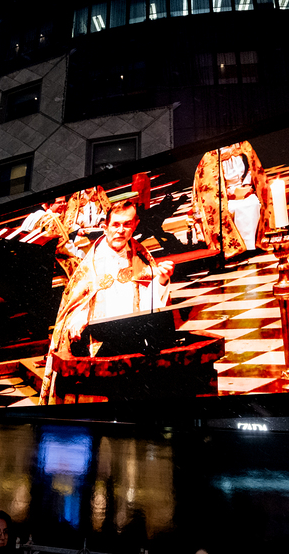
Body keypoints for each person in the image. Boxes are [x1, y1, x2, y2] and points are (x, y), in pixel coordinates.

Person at [39, 201, 174, 404]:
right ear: (105, 226)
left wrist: (161, 281)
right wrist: (79, 319)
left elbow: (150, 307)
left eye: (127, 224)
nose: (121, 230)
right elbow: (75, 304)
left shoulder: (142, 258)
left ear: (135, 225)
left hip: (135, 341)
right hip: (98, 344)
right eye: (116, 224)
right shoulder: (91, 263)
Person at [192, 141, 273, 259]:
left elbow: (252, 167)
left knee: (253, 203)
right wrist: (226, 192)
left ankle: (252, 245)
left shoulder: (243, 145)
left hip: (242, 188)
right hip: (223, 195)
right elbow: (209, 185)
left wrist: (246, 185)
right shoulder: (211, 155)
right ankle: (235, 249)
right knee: (231, 209)